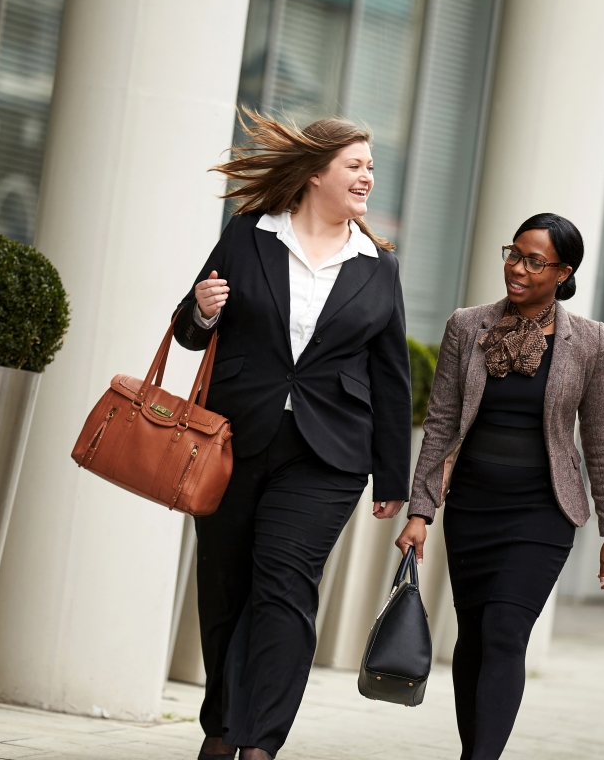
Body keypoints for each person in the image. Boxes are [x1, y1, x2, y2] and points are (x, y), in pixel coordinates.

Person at [173, 111, 412, 760]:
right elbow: (191, 330)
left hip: (326, 457)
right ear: (315, 173)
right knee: (225, 591)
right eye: (354, 165)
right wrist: (201, 309)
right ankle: (221, 727)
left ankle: (258, 746)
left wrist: (396, 479)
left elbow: (392, 382)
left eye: (369, 166)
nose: (367, 176)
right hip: (234, 440)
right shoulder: (249, 237)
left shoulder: (377, 268)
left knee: (284, 589)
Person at [396, 213, 604, 760]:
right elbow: (442, 422)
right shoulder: (467, 325)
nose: (516, 268)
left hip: (542, 512)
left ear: (563, 272)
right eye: (513, 254)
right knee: (473, 640)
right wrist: (420, 511)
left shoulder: (589, 342)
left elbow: (601, 437)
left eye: (533, 261)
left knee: (505, 631)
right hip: (474, 507)